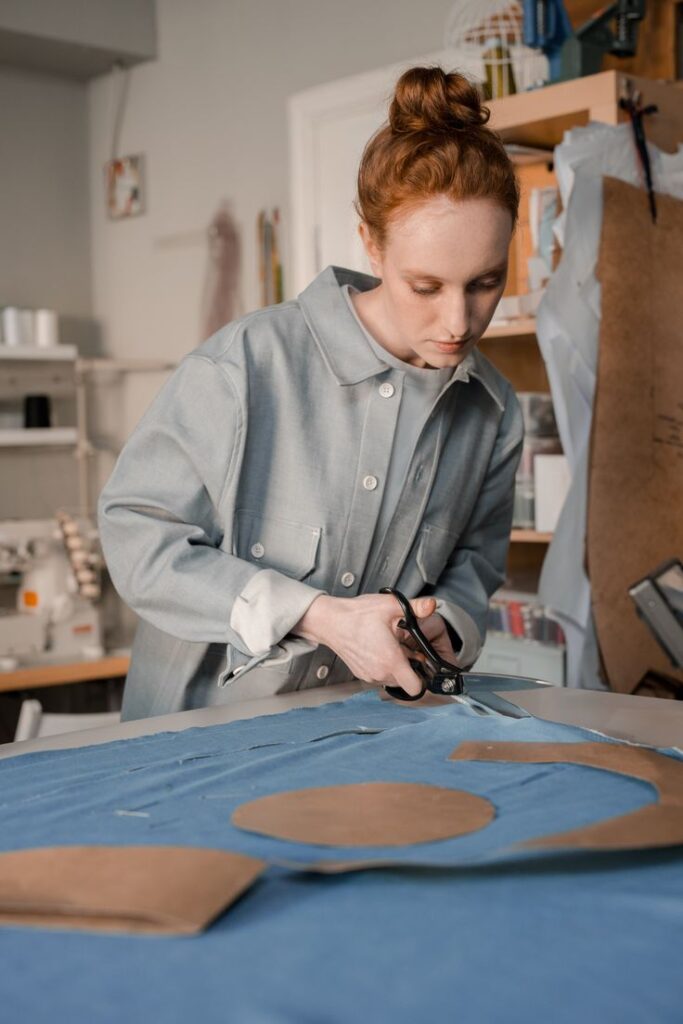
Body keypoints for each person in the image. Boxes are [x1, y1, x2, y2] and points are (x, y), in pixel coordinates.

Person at [98, 65, 524, 721]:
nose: (460, 321)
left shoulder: (493, 413)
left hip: (368, 747)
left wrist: (447, 625)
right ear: (371, 247)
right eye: (425, 286)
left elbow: (473, 569)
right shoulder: (244, 365)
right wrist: (319, 616)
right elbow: (136, 536)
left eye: (484, 282)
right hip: (193, 749)